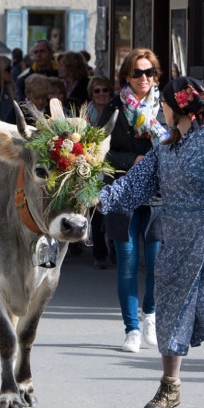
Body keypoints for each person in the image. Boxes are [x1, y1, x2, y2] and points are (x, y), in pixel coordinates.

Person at [98, 77, 204, 408]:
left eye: (166, 104)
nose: (162, 109)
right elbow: (134, 185)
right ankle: (170, 388)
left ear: (179, 106)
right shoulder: (164, 148)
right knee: (170, 314)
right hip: (174, 241)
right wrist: (97, 196)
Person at [105, 49, 168, 351]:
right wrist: (133, 159)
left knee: (156, 264)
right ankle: (131, 328)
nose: (144, 78)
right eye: (138, 73)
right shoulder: (115, 107)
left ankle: (150, 317)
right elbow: (103, 150)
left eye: (149, 72)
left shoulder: (166, 106)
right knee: (128, 263)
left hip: (157, 194)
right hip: (125, 192)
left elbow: (177, 142)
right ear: (127, 76)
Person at [86, 75, 117, 270]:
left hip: (112, 162)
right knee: (95, 208)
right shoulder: (86, 113)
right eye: (97, 90)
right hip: (92, 164)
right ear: (92, 93)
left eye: (105, 90)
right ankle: (100, 252)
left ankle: (114, 246)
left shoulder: (116, 109)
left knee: (113, 208)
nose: (101, 94)